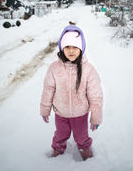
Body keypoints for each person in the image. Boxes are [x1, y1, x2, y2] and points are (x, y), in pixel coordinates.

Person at [40, 24, 103, 160]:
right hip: (60, 113)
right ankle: (58, 149)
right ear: (62, 48)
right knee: (60, 134)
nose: (71, 51)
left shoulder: (88, 70)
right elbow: (48, 89)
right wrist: (45, 109)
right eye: (67, 47)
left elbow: (95, 95)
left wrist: (96, 116)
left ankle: (85, 149)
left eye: (75, 47)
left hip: (80, 113)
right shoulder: (54, 68)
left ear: (81, 48)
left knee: (81, 136)